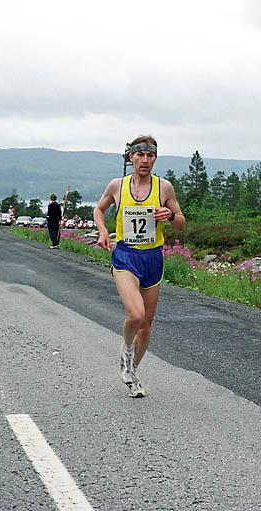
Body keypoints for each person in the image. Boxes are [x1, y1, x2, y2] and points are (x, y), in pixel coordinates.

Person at [94, 135, 185, 398]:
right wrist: (103, 231)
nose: (145, 160)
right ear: (131, 157)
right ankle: (126, 349)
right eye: (140, 155)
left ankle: (132, 371)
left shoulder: (164, 187)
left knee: (145, 327)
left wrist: (170, 215)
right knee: (135, 315)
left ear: (155, 159)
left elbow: (181, 222)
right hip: (125, 257)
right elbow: (99, 210)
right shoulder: (117, 186)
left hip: (152, 258)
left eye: (150, 155)